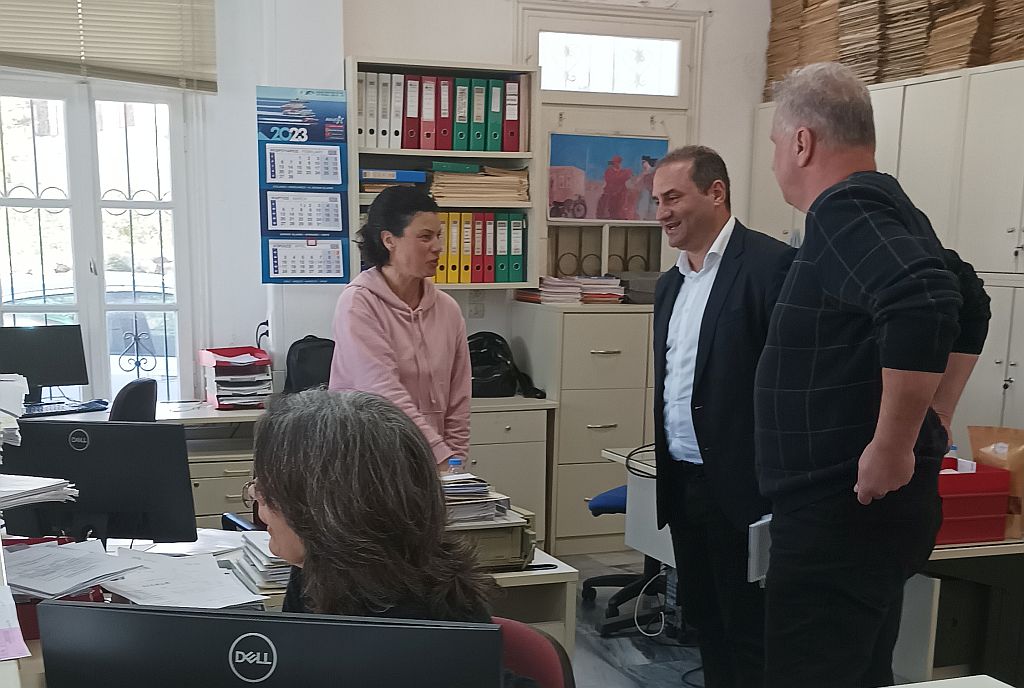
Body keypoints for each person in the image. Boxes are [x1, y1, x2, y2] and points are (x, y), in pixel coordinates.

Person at [756, 62, 991, 688]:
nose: (775, 161)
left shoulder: (845, 209)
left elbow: (922, 299)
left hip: (840, 514)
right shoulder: (886, 206)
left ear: (801, 142)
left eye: (775, 144)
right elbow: (967, 295)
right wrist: (937, 412)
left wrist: (894, 444)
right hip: (862, 515)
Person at [248, 390, 540, 688]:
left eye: (266, 491)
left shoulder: (421, 634)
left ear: (325, 513)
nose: (257, 502)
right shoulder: (316, 569)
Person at [651, 145, 794, 688]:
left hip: (744, 489)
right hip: (683, 482)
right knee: (705, 624)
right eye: (657, 201)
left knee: (748, 632)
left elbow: (787, 385)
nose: (662, 213)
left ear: (716, 193)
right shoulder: (671, 284)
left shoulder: (769, 267)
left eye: (673, 198)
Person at [329, 185, 470, 467]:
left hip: (430, 462)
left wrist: (456, 463)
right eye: (425, 237)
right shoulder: (358, 303)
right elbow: (383, 393)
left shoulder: (448, 309)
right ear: (389, 240)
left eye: (439, 236)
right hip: (369, 460)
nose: (438, 247)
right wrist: (440, 456)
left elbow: (459, 400)